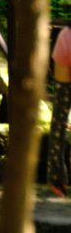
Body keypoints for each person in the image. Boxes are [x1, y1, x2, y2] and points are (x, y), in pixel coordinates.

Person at [48, 25, 71, 196]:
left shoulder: (66, 37)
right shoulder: (66, 37)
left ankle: (58, 178)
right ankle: (57, 177)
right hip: (65, 72)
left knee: (59, 123)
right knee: (59, 124)